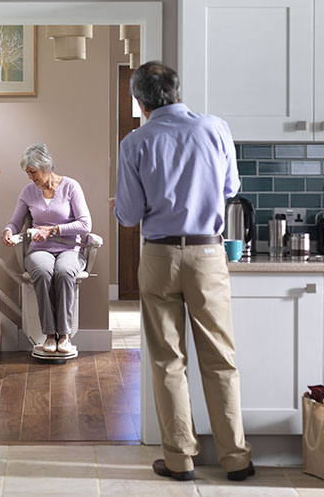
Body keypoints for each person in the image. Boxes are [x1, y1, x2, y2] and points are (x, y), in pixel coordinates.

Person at [111, 61, 254, 482]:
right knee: (220, 360)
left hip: (159, 256)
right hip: (209, 255)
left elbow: (129, 214)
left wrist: (120, 206)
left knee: (168, 361)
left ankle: (180, 461)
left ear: (139, 101)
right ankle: (235, 459)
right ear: (175, 91)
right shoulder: (215, 128)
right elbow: (231, 189)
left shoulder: (135, 142)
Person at [3, 142, 91, 354]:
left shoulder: (71, 187)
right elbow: (16, 222)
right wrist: (8, 230)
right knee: (42, 271)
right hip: (39, 250)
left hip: (70, 248)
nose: (30, 177)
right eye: (28, 173)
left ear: (46, 166)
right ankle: (50, 335)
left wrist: (52, 231)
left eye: (33, 172)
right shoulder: (28, 192)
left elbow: (85, 224)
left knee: (64, 271)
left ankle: (65, 335)